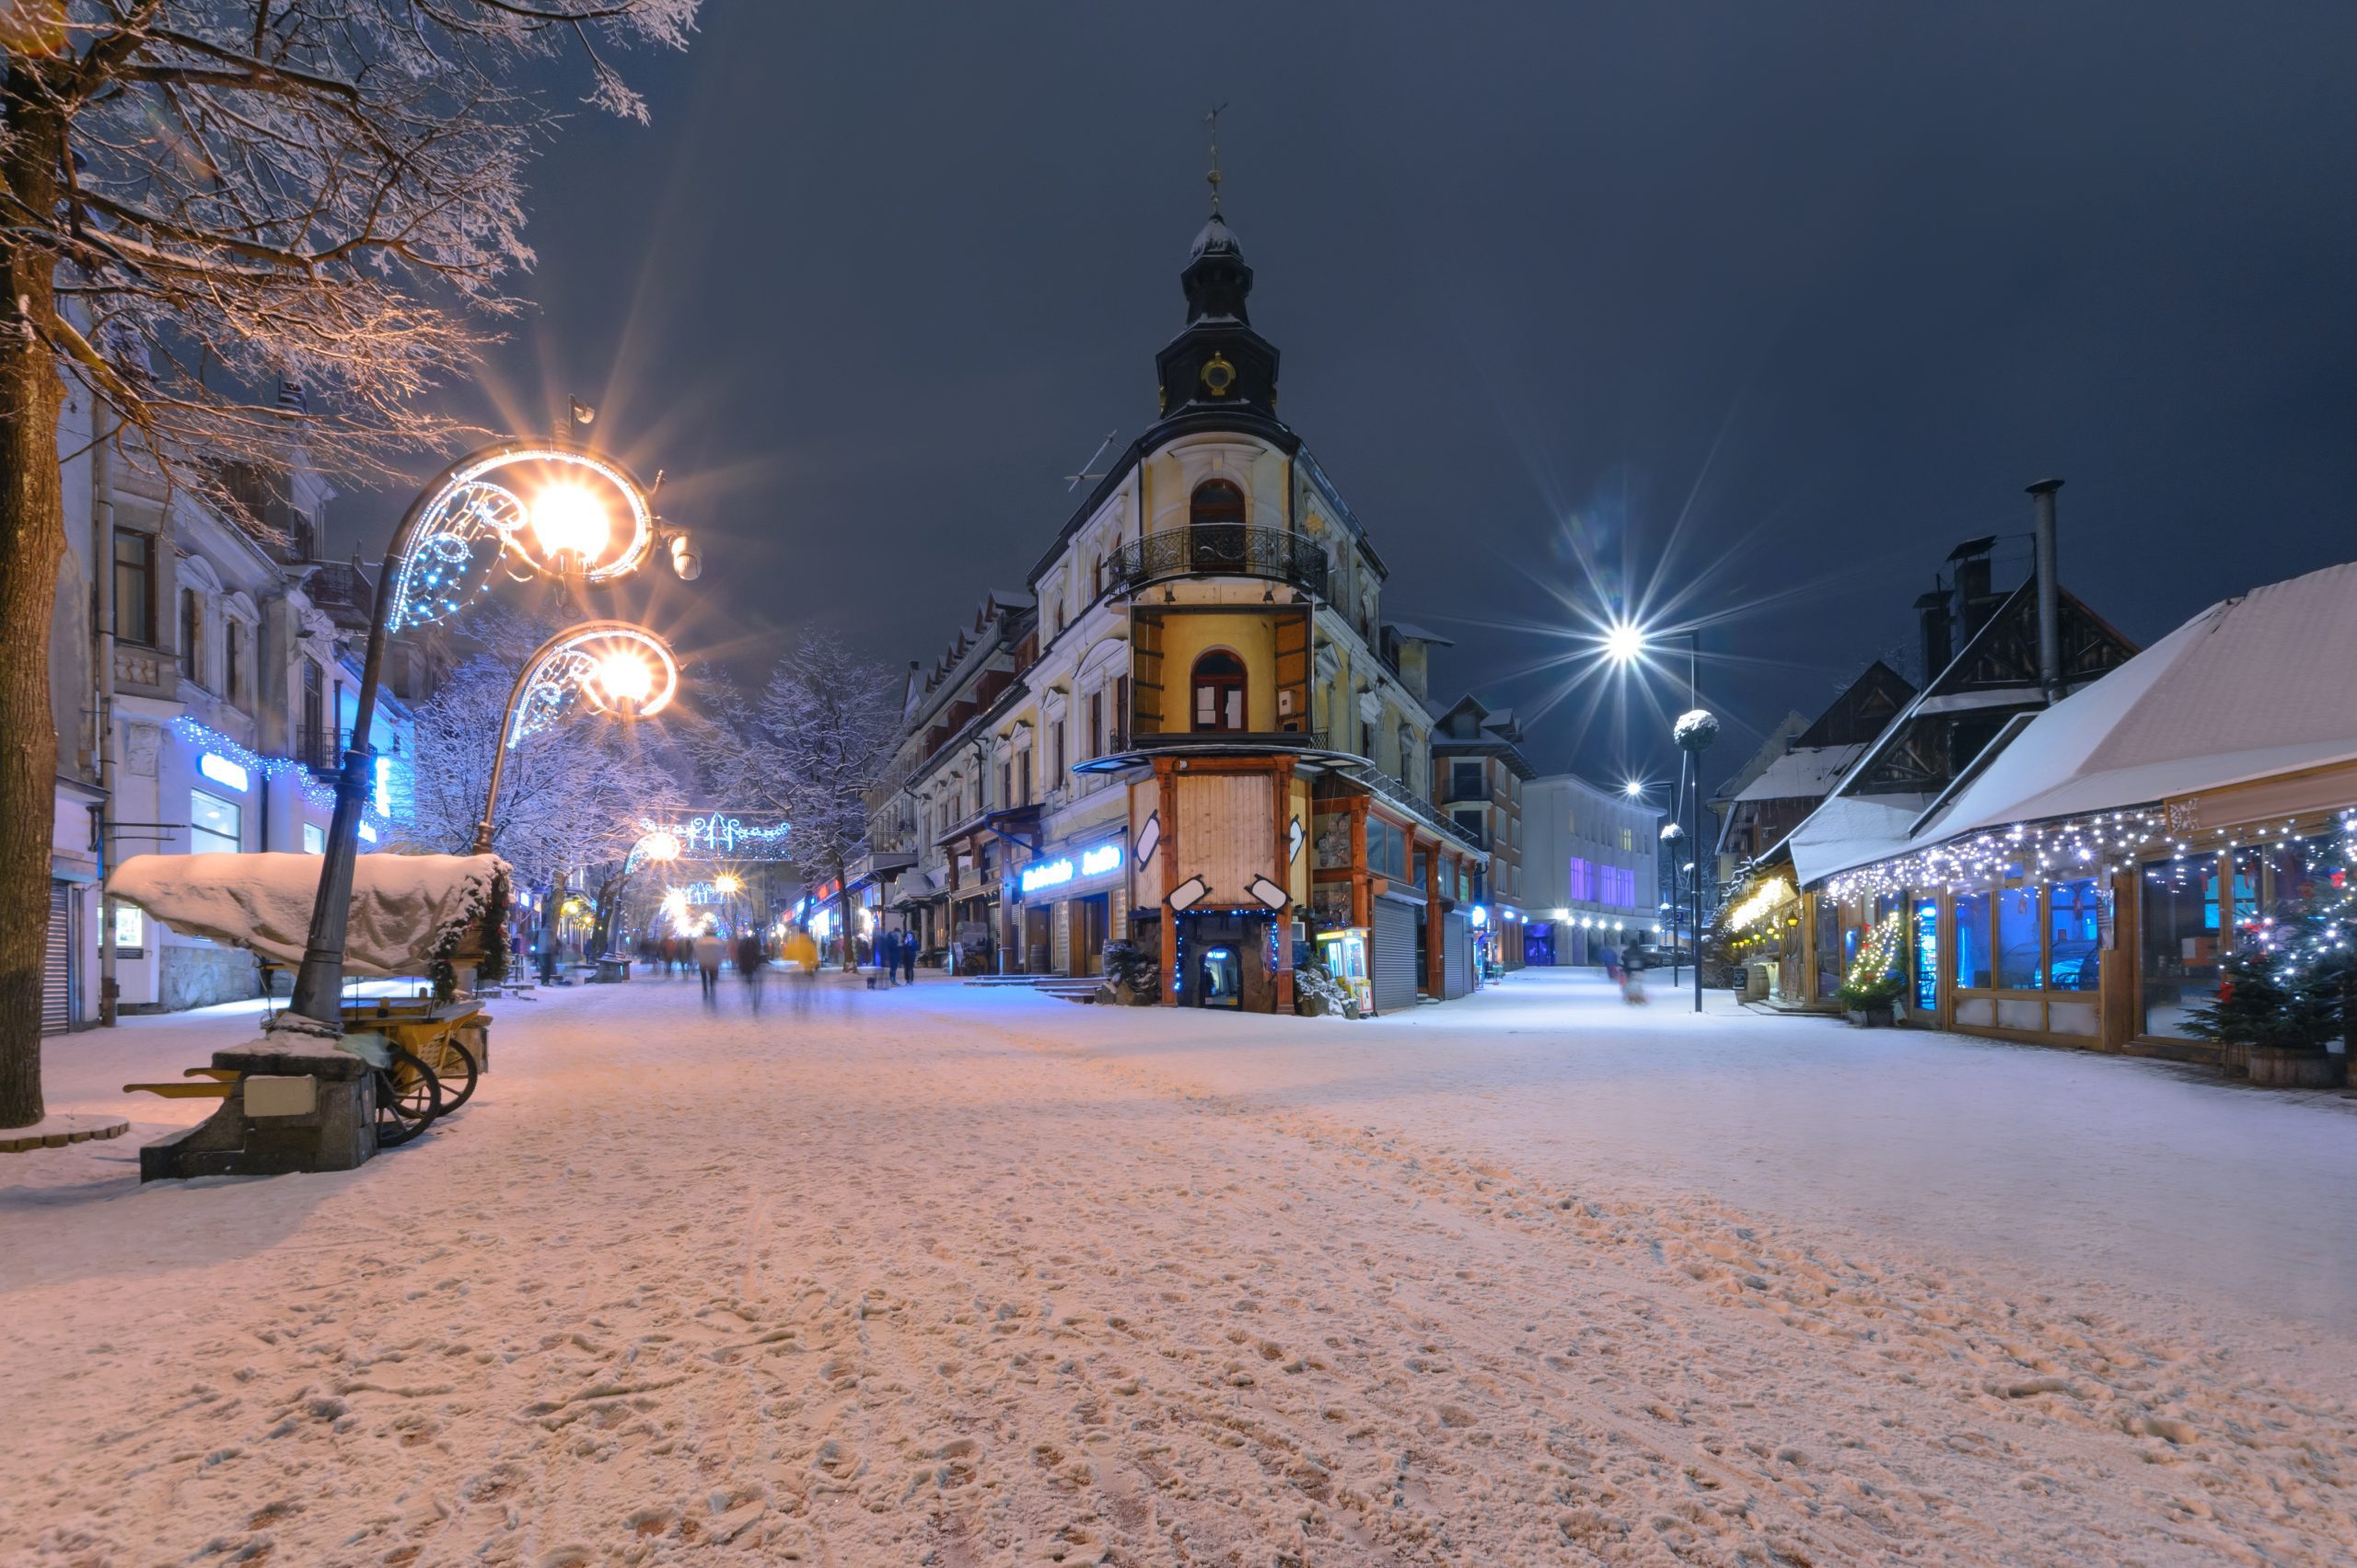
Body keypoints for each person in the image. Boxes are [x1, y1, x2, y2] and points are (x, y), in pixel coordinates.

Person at [735, 928, 767, 1014]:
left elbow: (740, 956)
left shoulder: (743, 947)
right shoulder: (755, 946)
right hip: (753, 966)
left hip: (746, 966)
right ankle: (754, 1001)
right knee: (754, 983)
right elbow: (758, 956)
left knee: (749, 980)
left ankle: (750, 991)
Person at [694, 927, 725, 1008]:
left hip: (703, 963)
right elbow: (721, 953)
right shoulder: (717, 942)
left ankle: (705, 992)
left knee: (704, 978)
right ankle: (712, 990)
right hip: (713, 964)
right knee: (712, 978)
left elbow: (696, 952)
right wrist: (719, 962)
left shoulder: (699, 941)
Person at [1618, 939, 1648, 1005]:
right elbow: (1645, 960)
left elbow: (1623, 959)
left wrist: (1624, 967)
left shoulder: (1626, 952)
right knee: (1637, 983)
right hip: (1639, 970)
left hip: (1629, 970)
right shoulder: (1640, 952)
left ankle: (1630, 996)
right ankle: (1638, 995)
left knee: (1629, 983)